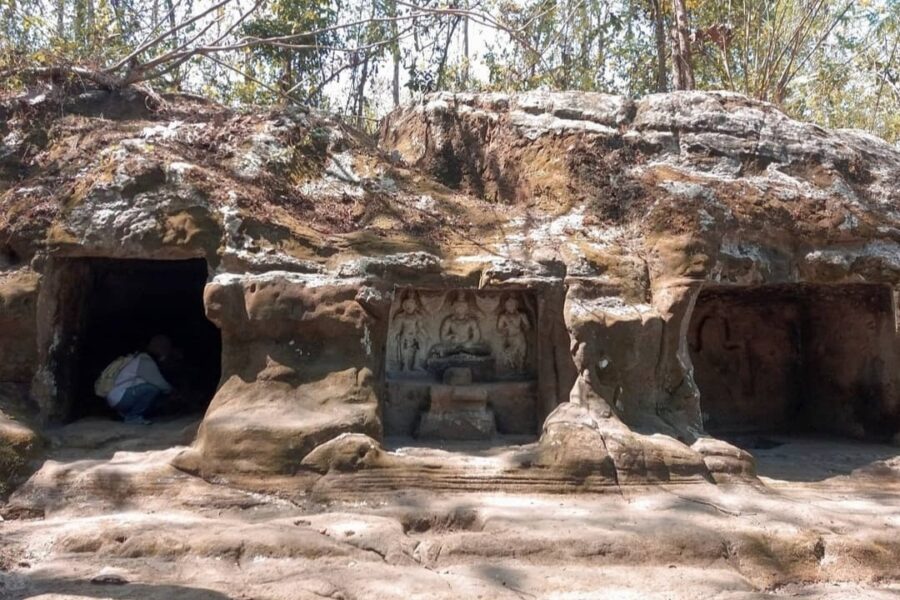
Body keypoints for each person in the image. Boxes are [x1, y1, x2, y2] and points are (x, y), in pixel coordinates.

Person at [94, 335, 175, 424]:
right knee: (152, 389)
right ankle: (133, 417)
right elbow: (160, 384)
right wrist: (174, 392)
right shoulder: (145, 361)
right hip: (121, 397)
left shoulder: (137, 358)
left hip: (115, 396)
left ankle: (125, 414)